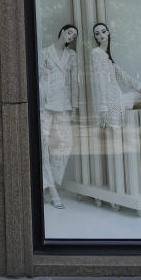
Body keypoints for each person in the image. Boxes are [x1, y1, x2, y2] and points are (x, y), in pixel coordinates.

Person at [39, 24, 79, 209]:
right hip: (45, 105)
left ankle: (50, 183)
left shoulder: (72, 56)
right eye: (69, 32)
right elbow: (38, 78)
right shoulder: (44, 52)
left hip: (63, 104)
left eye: (74, 36)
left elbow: (74, 82)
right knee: (44, 145)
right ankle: (53, 193)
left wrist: (75, 106)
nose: (71, 36)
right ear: (62, 31)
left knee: (66, 143)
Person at [89, 22, 141, 128]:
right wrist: (103, 107)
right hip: (110, 101)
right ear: (96, 38)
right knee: (114, 137)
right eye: (97, 34)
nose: (101, 35)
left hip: (117, 97)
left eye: (103, 32)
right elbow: (100, 80)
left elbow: (124, 77)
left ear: (108, 33)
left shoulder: (108, 57)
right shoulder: (96, 53)